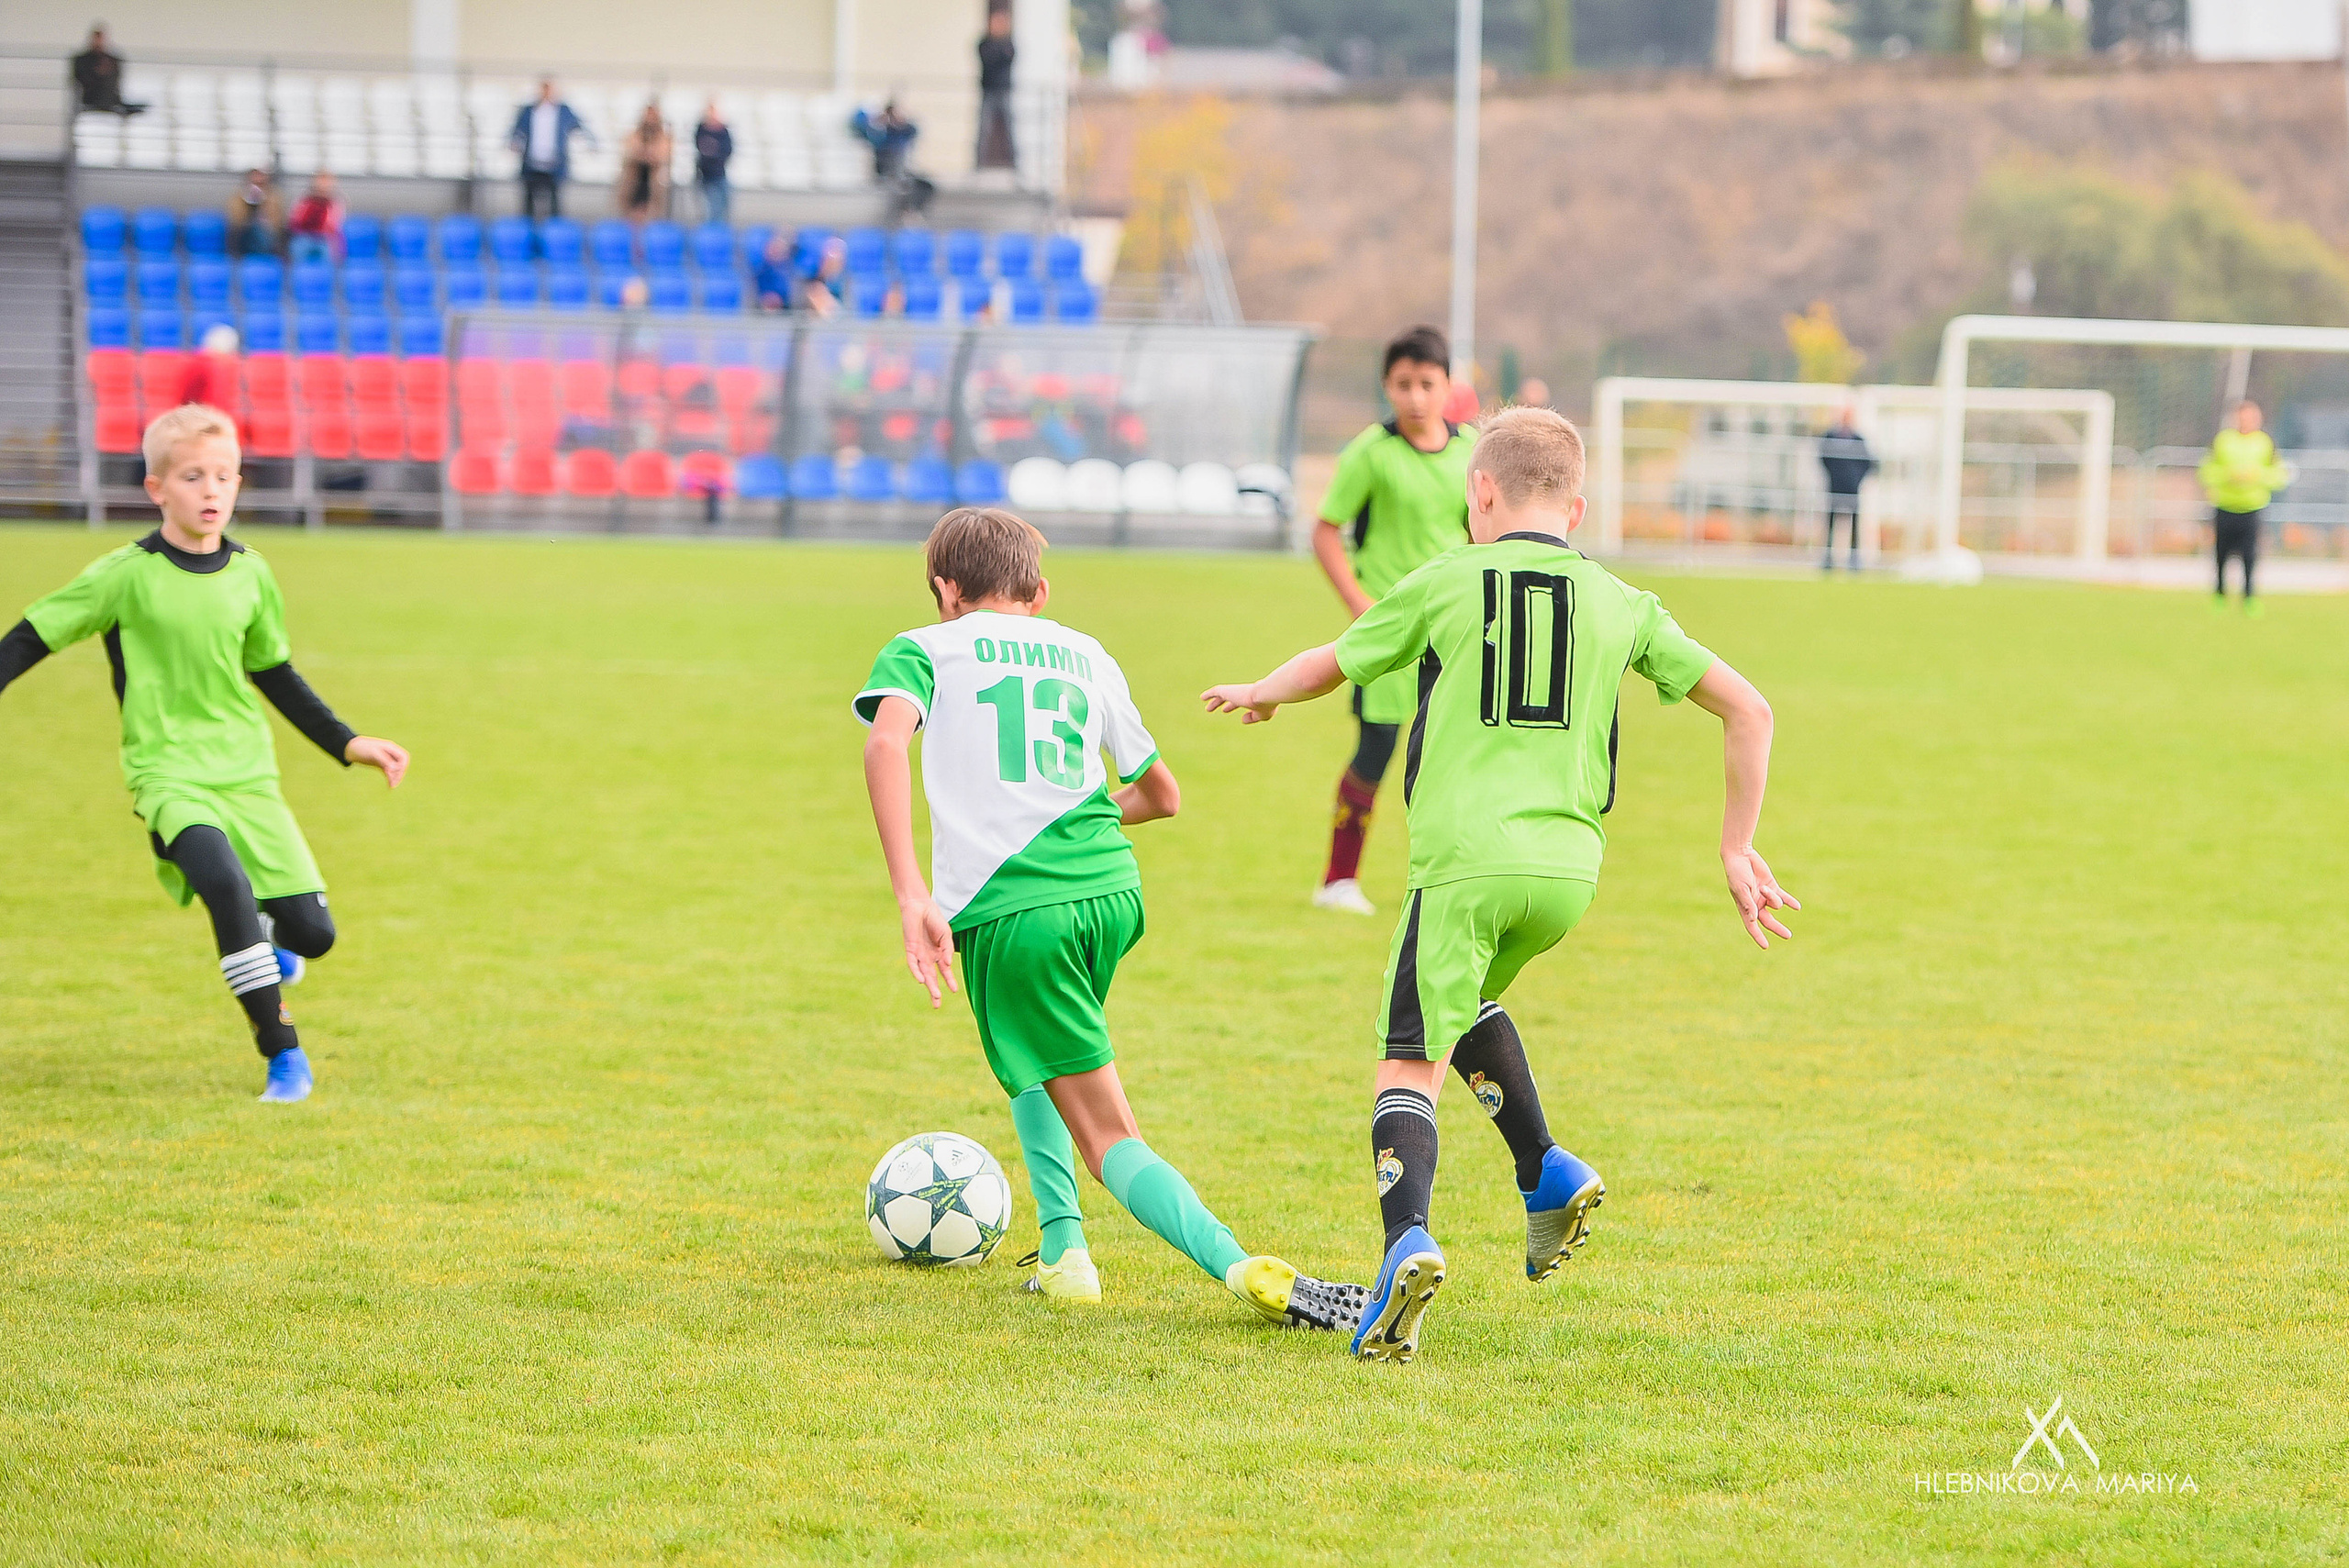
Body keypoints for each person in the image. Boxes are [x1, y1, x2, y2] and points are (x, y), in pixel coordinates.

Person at [1202, 406, 1797, 1363]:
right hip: (1567, 874)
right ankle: (1546, 1170)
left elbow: (1337, 659)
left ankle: (1408, 1244)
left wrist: (1263, 689)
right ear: (1579, 504)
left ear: (1479, 492)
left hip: (1463, 864)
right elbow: (1749, 708)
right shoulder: (1622, 600)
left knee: (1407, 1060)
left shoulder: (1445, 577)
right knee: (1464, 999)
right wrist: (1736, 846)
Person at [856, 507, 1367, 1329]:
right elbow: (1161, 795)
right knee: (1032, 1059)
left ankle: (1242, 1267)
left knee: (1107, 1135)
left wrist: (912, 894)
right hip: (1109, 892)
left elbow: (886, 745)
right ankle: (1065, 1255)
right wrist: (1075, 819)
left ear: (945, 590)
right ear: (1039, 590)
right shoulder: (1083, 650)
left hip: (1018, 906)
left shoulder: (924, 647)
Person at [0, 406, 410, 1104]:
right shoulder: (123, 574)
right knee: (226, 886)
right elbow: (32, 636)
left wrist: (349, 742)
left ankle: (277, 945)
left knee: (313, 935)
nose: (211, 490)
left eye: (224, 475)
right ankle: (284, 1056)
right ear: (158, 487)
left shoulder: (253, 574)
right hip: (166, 770)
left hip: (246, 771)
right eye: (193, 476)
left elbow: (274, 672)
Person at [1308, 325, 1475, 917]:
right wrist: (1359, 602)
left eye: (1427, 383)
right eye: (1403, 384)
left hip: (1452, 632)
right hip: (1387, 634)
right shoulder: (1370, 453)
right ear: (1387, 386)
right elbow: (1325, 530)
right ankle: (1338, 879)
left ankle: (1450, 882)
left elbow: (1481, 533)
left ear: (1447, 386)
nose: (1416, 397)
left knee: (1452, 755)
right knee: (1376, 750)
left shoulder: (1470, 453)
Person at [2199, 400, 2289, 614]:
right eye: (2243, 416)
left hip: (2253, 506)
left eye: (2251, 417)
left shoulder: (2265, 443)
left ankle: (2249, 598)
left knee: (2250, 555)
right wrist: (2228, 476)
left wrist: (2257, 476)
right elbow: (2206, 471)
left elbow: (2280, 475)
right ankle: (2220, 595)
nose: (2247, 421)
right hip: (2225, 505)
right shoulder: (2223, 441)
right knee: (2221, 553)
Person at [509, 80, 593, 221]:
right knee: (528, 206)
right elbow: (517, 131)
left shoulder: (563, 110)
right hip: (532, 164)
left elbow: (579, 127)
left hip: (555, 164)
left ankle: (553, 236)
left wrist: (589, 144)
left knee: (555, 206)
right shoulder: (529, 110)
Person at [1817, 405, 1875, 572]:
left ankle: (1854, 559)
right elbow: (1823, 459)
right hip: (1834, 487)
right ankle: (1828, 559)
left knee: (1855, 525)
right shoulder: (1830, 437)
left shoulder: (1858, 439)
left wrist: (1856, 480)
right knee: (1831, 523)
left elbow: (1868, 463)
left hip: (1852, 489)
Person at [976, 8, 1018, 171]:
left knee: (1010, 129)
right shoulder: (984, 43)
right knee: (983, 129)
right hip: (988, 91)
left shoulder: (1008, 43)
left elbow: (1007, 61)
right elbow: (990, 61)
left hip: (1004, 91)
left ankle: (1014, 165)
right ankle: (979, 165)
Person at [618, 100, 672, 225]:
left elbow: (662, 153)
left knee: (651, 215)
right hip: (635, 179)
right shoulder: (636, 133)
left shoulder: (662, 135)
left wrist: (650, 155)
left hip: (653, 181)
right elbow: (631, 148)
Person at [72, 26, 143, 115]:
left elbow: (114, 80)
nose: (98, 43)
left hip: (112, 101)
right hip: (91, 101)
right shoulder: (82, 60)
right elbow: (82, 79)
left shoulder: (113, 60)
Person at [178, 325, 241, 417]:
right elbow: (216, 401)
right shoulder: (214, 366)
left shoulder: (194, 361)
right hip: (205, 417)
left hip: (190, 414)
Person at [285, 172, 345, 265]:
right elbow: (294, 221)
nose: (322, 186)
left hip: (325, 238)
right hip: (304, 236)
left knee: (329, 250)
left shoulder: (334, 203)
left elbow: (334, 226)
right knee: (297, 247)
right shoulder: (303, 201)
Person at [692, 101, 734, 228]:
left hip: (720, 174)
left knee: (724, 206)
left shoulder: (723, 131)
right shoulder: (701, 129)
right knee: (712, 208)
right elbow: (703, 149)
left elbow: (727, 151)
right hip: (706, 176)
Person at [227, 168, 280, 260]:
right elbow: (236, 220)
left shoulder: (273, 198)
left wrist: (264, 202)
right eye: (254, 184)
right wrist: (247, 203)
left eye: (260, 184)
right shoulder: (238, 198)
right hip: (243, 235)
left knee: (259, 233)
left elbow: (276, 223)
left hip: (267, 236)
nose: (257, 188)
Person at [750, 232, 796, 312]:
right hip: (763, 306)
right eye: (772, 249)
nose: (775, 252)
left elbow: (792, 290)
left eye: (778, 249)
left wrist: (779, 299)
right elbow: (756, 289)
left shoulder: (791, 271)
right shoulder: (760, 271)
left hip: (786, 307)